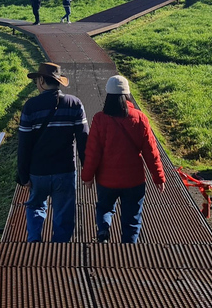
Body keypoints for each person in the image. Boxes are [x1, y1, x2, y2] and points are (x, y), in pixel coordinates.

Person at [82, 75, 165, 243]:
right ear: (127, 94)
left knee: (105, 208)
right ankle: (129, 247)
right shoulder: (140, 118)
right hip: (134, 181)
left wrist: (87, 176)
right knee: (132, 217)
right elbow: (151, 151)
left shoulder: (100, 119)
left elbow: (93, 152)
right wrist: (158, 177)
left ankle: (104, 230)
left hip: (106, 180)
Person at [17, 62, 89, 242]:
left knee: (35, 207)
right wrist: (88, 172)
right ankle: (60, 252)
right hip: (64, 171)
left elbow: (24, 145)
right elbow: (84, 141)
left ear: (41, 80)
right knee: (64, 213)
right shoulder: (75, 104)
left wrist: (23, 175)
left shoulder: (30, 106)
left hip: (38, 171)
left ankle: (34, 244)